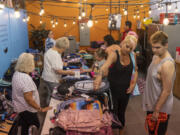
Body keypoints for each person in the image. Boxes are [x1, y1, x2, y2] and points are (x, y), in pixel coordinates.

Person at [94, 36, 138, 135]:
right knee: (112, 113)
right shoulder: (114, 55)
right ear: (122, 43)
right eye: (127, 46)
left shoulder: (132, 55)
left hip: (125, 91)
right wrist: (99, 76)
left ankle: (121, 132)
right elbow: (104, 67)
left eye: (131, 48)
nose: (128, 50)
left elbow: (135, 71)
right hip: (113, 91)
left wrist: (133, 84)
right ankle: (110, 132)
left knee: (122, 113)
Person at [142, 31, 175, 135]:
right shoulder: (156, 56)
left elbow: (167, 90)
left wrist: (157, 110)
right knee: (151, 131)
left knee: (158, 133)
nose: (154, 50)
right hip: (152, 102)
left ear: (166, 45)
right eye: (153, 47)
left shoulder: (167, 64)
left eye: (158, 47)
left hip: (160, 106)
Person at [11, 53, 52, 135]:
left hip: (20, 107)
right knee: (35, 124)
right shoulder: (25, 79)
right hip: (27, 109)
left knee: (25, 126)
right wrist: (40, 108)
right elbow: (29, 99)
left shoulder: (16, 73)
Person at [42, 37, 75, 106]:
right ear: (62, 47)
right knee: (54, 96)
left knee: (50, 93)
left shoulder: (50, 50)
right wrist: (70, 72)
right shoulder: (55, 55)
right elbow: (58, 71)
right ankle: (52, 109)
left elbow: (53, 63)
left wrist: (62, 63)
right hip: (52, 79)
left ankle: (48, 105)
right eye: (64, 49)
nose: (64, 51)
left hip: (47, 77)